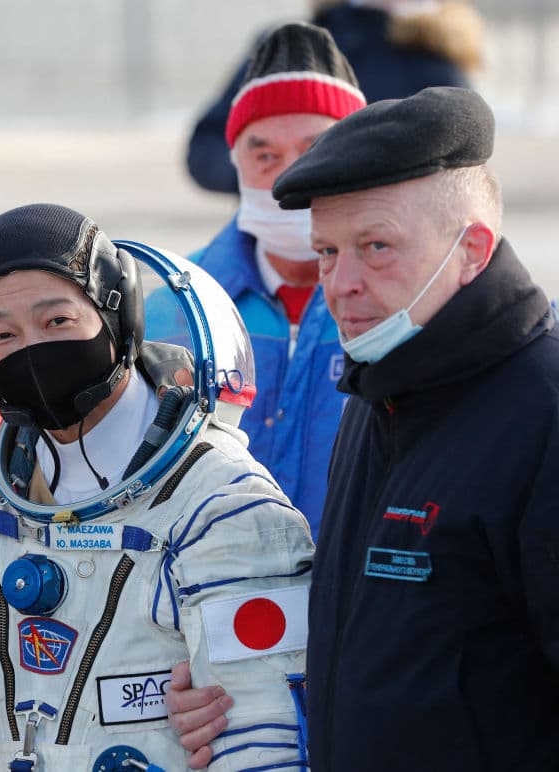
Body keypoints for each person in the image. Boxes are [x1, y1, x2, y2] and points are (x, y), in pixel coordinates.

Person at [0, 203, 316, 771]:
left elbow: (264, 746)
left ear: (117, 318)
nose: (33, 350)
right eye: (2, 334)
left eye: (58, 320)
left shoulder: (219, 506)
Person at [172, 85, 559, 769]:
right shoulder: (375, 393)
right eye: (326, 252)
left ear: (470, 249)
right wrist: (230, 690)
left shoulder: (541, 412)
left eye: (375, 246)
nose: (340, 283)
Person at [187, 22, 366, 537]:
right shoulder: (183, 301)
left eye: (315, 150)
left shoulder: (403, 302)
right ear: (235, 164)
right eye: (265, 156)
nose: (289, 177)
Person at [187, 0, 483, 194]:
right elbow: (206, 149)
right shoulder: (290, 44)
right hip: (265, 254)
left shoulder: (435, 62)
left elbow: (458, 184)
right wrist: (267, 175)